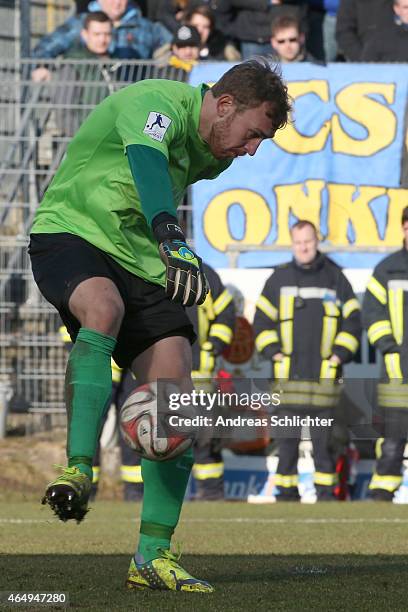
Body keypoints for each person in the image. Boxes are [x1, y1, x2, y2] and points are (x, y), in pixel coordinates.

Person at [28, 59, 291, 592]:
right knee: (102, 308)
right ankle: (80, 467)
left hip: (139, 257)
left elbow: (160, 186)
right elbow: (147, 164)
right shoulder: (156, 101)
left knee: (174, 396)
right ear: (224, 105)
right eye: (254, 133)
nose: (253, 149)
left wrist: (164, 245)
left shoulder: (214, 157)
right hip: (71, 231)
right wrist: (172, 235)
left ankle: (153, 555)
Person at [253, 220, 361, 501]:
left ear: (317, 240)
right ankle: (286, 495)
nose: (303, 247)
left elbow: (353, 322)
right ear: (292, 244)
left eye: (308, 241)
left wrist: (340, 353)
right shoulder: (278, 279)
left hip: (324, 383)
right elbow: (261, 323)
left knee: (324, 447)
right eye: (298, 242)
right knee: (286, 447)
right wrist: (273, 351)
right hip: (286, 382)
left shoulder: (335, 278)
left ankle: (326, 497)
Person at [363, 206, 408, 501]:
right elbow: (372, 312)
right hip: (397, 372)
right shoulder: (386, 269)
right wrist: (392, 349)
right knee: (393, 438)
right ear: (403, 228)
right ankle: (382, 494)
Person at [188, 263, 236, 500]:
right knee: (161, 443)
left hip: (201, 378)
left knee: (206, 442)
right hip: (158, 375)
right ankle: (160, 497)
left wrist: (213, 347)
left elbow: (227, 313)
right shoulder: (144, 266)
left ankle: (212, 497)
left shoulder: (205, 273)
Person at [31, 0, 171, 76]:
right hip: (88, 99)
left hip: (133, 97)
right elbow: (46, 47)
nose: (117, 3)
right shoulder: (80, 23)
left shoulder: (146, 27)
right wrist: (42, 67)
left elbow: (171, 50)